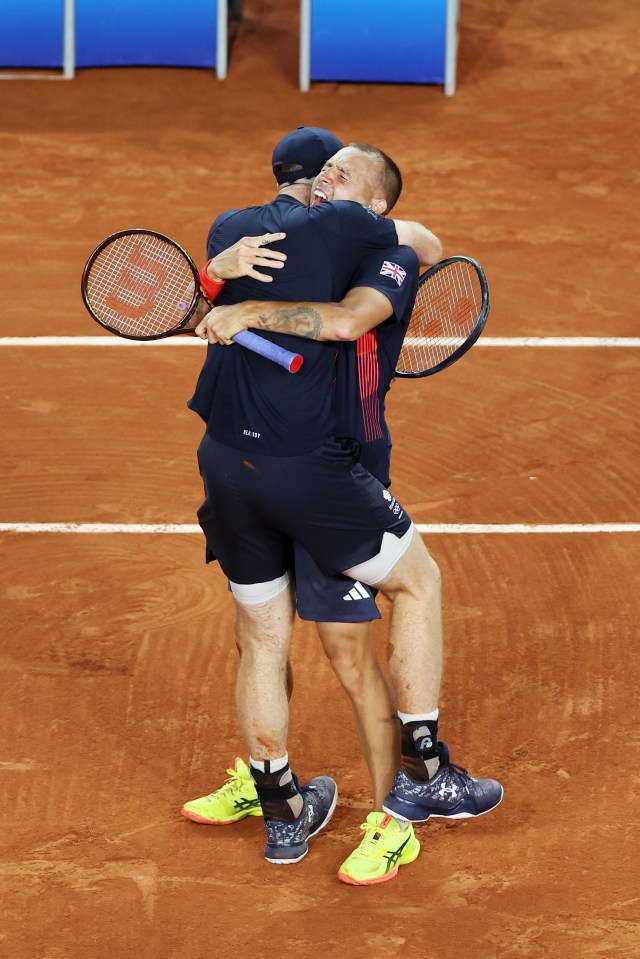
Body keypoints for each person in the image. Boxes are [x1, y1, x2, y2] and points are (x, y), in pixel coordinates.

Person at [185, 130, 504, 875]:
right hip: (326, 472)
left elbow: (402, 254)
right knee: (361, 639)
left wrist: (224, 291)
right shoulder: (360, 238)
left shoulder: (238, 233)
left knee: (267, 636)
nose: (326, 182)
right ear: (306, 184)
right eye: (323, 170)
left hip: (240, 463)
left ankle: (284, 808)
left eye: (342, 173)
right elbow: (407, 253)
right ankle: (411, 792)